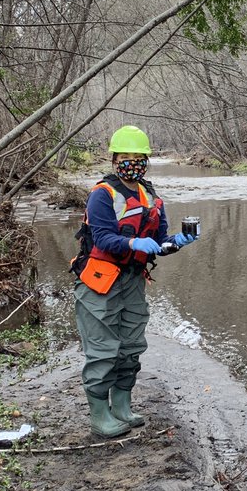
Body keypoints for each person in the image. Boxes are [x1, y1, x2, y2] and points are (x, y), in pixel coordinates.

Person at [71, 126, 199, 438]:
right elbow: (102, 237)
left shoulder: (152, 197)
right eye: (125, 156)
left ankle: (123, 407)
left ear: (145, 161)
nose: (131, 162)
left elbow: (158, 241)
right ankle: (100, 416)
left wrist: (177, 241)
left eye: (137, 157)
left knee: (130, 347)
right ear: (114, 159)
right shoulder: (102, 195)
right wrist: (132, 245)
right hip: (99, 282)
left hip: (132, 281)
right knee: (103, 349)